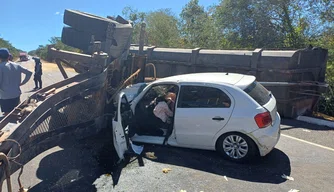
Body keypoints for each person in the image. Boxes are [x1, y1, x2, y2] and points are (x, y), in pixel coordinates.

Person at [0, 48, 32, 116]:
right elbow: (29, 73)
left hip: (5, 96)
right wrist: (23, 83)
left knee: (7, 115)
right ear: (9, 56)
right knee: (17, 111)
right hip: (16, 94)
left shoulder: (1, 67)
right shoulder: (16, 65)